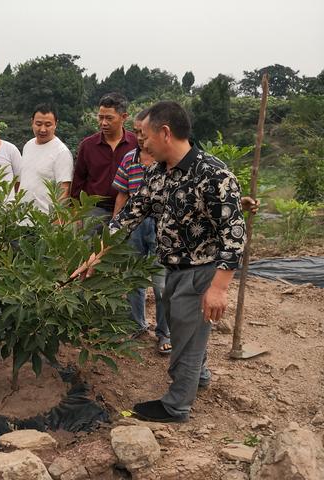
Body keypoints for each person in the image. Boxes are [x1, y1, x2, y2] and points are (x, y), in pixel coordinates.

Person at [104, 101, 246, 422]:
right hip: (172, 267)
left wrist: (219, 288)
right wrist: (96, 252)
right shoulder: (157, 173)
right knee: (190, 332)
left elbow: (234, 235)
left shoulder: (214, 176)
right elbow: (131, 213)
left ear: (165, 133)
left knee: (185, 338)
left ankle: (176, 405)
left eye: (145, 135)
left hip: (201, 272)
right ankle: (201, 377)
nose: (142, 142)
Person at [112, 110, 170, 353]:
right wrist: (115, 226)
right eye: (136, 132)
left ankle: (164, 333)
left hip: (160, 226)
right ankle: (136, 324)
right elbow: (123, 193)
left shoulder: (166, 161)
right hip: (133, 224)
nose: (139, 137)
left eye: (142, 132)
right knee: (132, 278)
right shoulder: (129, 159)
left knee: (161, 284)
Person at [71, 93, 137, 220]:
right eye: (100, 117)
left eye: (109, 118)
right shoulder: (88, 145)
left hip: (127, 209)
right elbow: (78, 179)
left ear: (124, 117)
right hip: (93, 210)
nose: (103, 123)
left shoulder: (135, 144)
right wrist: (75, 211)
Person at [18, 104, 73, 213]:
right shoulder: (28, 145)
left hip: (45, 221)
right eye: (38, 124)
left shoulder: (61, 152)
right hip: (21, 217)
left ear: (56, 124)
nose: (42, 129)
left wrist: (57, 218)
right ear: (32, 122)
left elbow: (64, 189)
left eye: (48, 125)